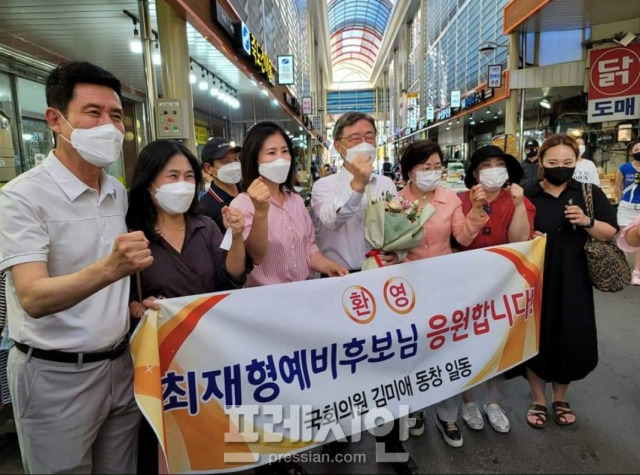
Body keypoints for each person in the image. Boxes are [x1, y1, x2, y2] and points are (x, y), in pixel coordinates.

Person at [0, 61, 152, 473]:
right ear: (55, 119)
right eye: (93, 112)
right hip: (55, 375)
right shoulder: (22, 197)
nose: (109, 126)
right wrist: (110, 269)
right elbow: (32, 296)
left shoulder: (116, 192)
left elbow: (117, 281)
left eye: (116, 115)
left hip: (120, 365)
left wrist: (134, 305)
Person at [125, 139, 249, 474]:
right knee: (166, 442)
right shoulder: (133, 234)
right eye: (172, 176)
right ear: (149, 181)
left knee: (208, 434)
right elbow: (122, 301)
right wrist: (139, 310)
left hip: (206, 355)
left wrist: (237, 237)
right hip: (160, 360)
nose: (182, 184)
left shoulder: (205, 227)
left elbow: (230, 276)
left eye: (188, 176)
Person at [311, 112, 417, 475]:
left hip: (381, 280)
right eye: (354, 137)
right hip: (339, 282)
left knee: (389, 363)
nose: (363, 142)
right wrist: (357, 184)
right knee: (341, 365)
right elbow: (332, 220)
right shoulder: (325, 186)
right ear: (338, 145)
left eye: (369, 135)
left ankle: (392, 445)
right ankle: (338, 437)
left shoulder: (387, 183)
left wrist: (397, 252)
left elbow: (399, 224)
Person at [398, 141, 490, 447]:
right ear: (410, 170)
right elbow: (390, 243)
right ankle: (415, 409)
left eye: (437, 166)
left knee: (446, 348)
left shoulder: (449, 198)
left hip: (445, 283)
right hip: (408, 287)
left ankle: (447, 414)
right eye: (425, 168)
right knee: (414, 352)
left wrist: (476, 211)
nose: (432, 173)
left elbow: (462, 236)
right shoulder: (395, 202)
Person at [524, 134, 617, 429]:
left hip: (576, 278)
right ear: (541, 162)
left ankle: (560, 397)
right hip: (537, 278)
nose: (560, 167)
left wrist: (587, 221)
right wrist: (529, 239)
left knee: (571, 334)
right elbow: (514, 236)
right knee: (538, 335)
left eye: (567, 162)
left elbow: (610, 232)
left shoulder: (588, 193)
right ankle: (538, 399)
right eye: (552, 162)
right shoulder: (528, 196)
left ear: (576, 162)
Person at [457, 144, 535, 436]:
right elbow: (461, 240)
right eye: (486, 165)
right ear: (475, 173)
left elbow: (520, 239)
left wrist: (516, 206)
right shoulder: (461, 201)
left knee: (500, 344)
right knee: (468, 344)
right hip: (468, 286)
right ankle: (468, 402)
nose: (493, 170)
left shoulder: (519, 201)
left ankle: (493, 402)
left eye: (498, 163)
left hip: (505, 285)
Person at [230, 121, 346, 289]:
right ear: (254, 160)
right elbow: (254, 256)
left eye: (285, 151)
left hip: (302, 293)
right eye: (271, 153)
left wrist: (328, 266)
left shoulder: (296, 200)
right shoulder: (242, 205)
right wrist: (261, 212)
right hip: (265, 299)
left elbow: (309, 248)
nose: (281, 159)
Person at [199, 137, 242, 233]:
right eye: (226, 162)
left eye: (235, 160)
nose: (233, 166)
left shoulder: (248, 190)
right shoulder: (205, 208)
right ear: (208, 168)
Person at [614, 138, 640, 285]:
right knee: (623, 238)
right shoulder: (624, 168)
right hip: (626, 207)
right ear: (631, 152)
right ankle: (623, 270)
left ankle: (636, 272)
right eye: (636, 150)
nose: (639, 152)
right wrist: (621, 201)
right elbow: (617, 187)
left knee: (638, 241)